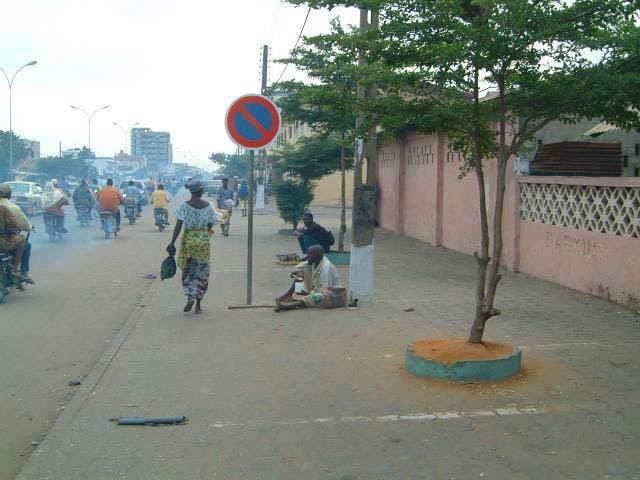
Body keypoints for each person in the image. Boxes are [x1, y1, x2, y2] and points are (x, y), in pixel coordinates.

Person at [167, 179, 221, 314]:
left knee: (188, 270)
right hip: (203, 241)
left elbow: (178, 225)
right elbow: (212, 223)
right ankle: (198, 305)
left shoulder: (184, 206)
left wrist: (172, 242)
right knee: (202, 271)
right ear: (201, 191)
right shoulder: (209, 206)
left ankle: (190, 295)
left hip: (189, 240)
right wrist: (206, 227)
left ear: (191, 192)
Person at [275, 245, 346, 311]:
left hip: (333, 295)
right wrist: (296, 272)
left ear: (318, 255)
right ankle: (288, 295)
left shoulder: (326, 268)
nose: (307, 256)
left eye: (310, 254)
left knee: (315, 297)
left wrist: (310, 293)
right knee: (303, 270)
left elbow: (325, 290)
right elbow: (300, 266)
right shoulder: (315, 261)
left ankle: (287, 306)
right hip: (320, 289)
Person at [0, 183, 35, 284]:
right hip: (5, 241)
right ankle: (20, 271)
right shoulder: (12, 207)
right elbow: (23, 225)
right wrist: (29, 227)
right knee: (26, 244)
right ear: (9, 195)